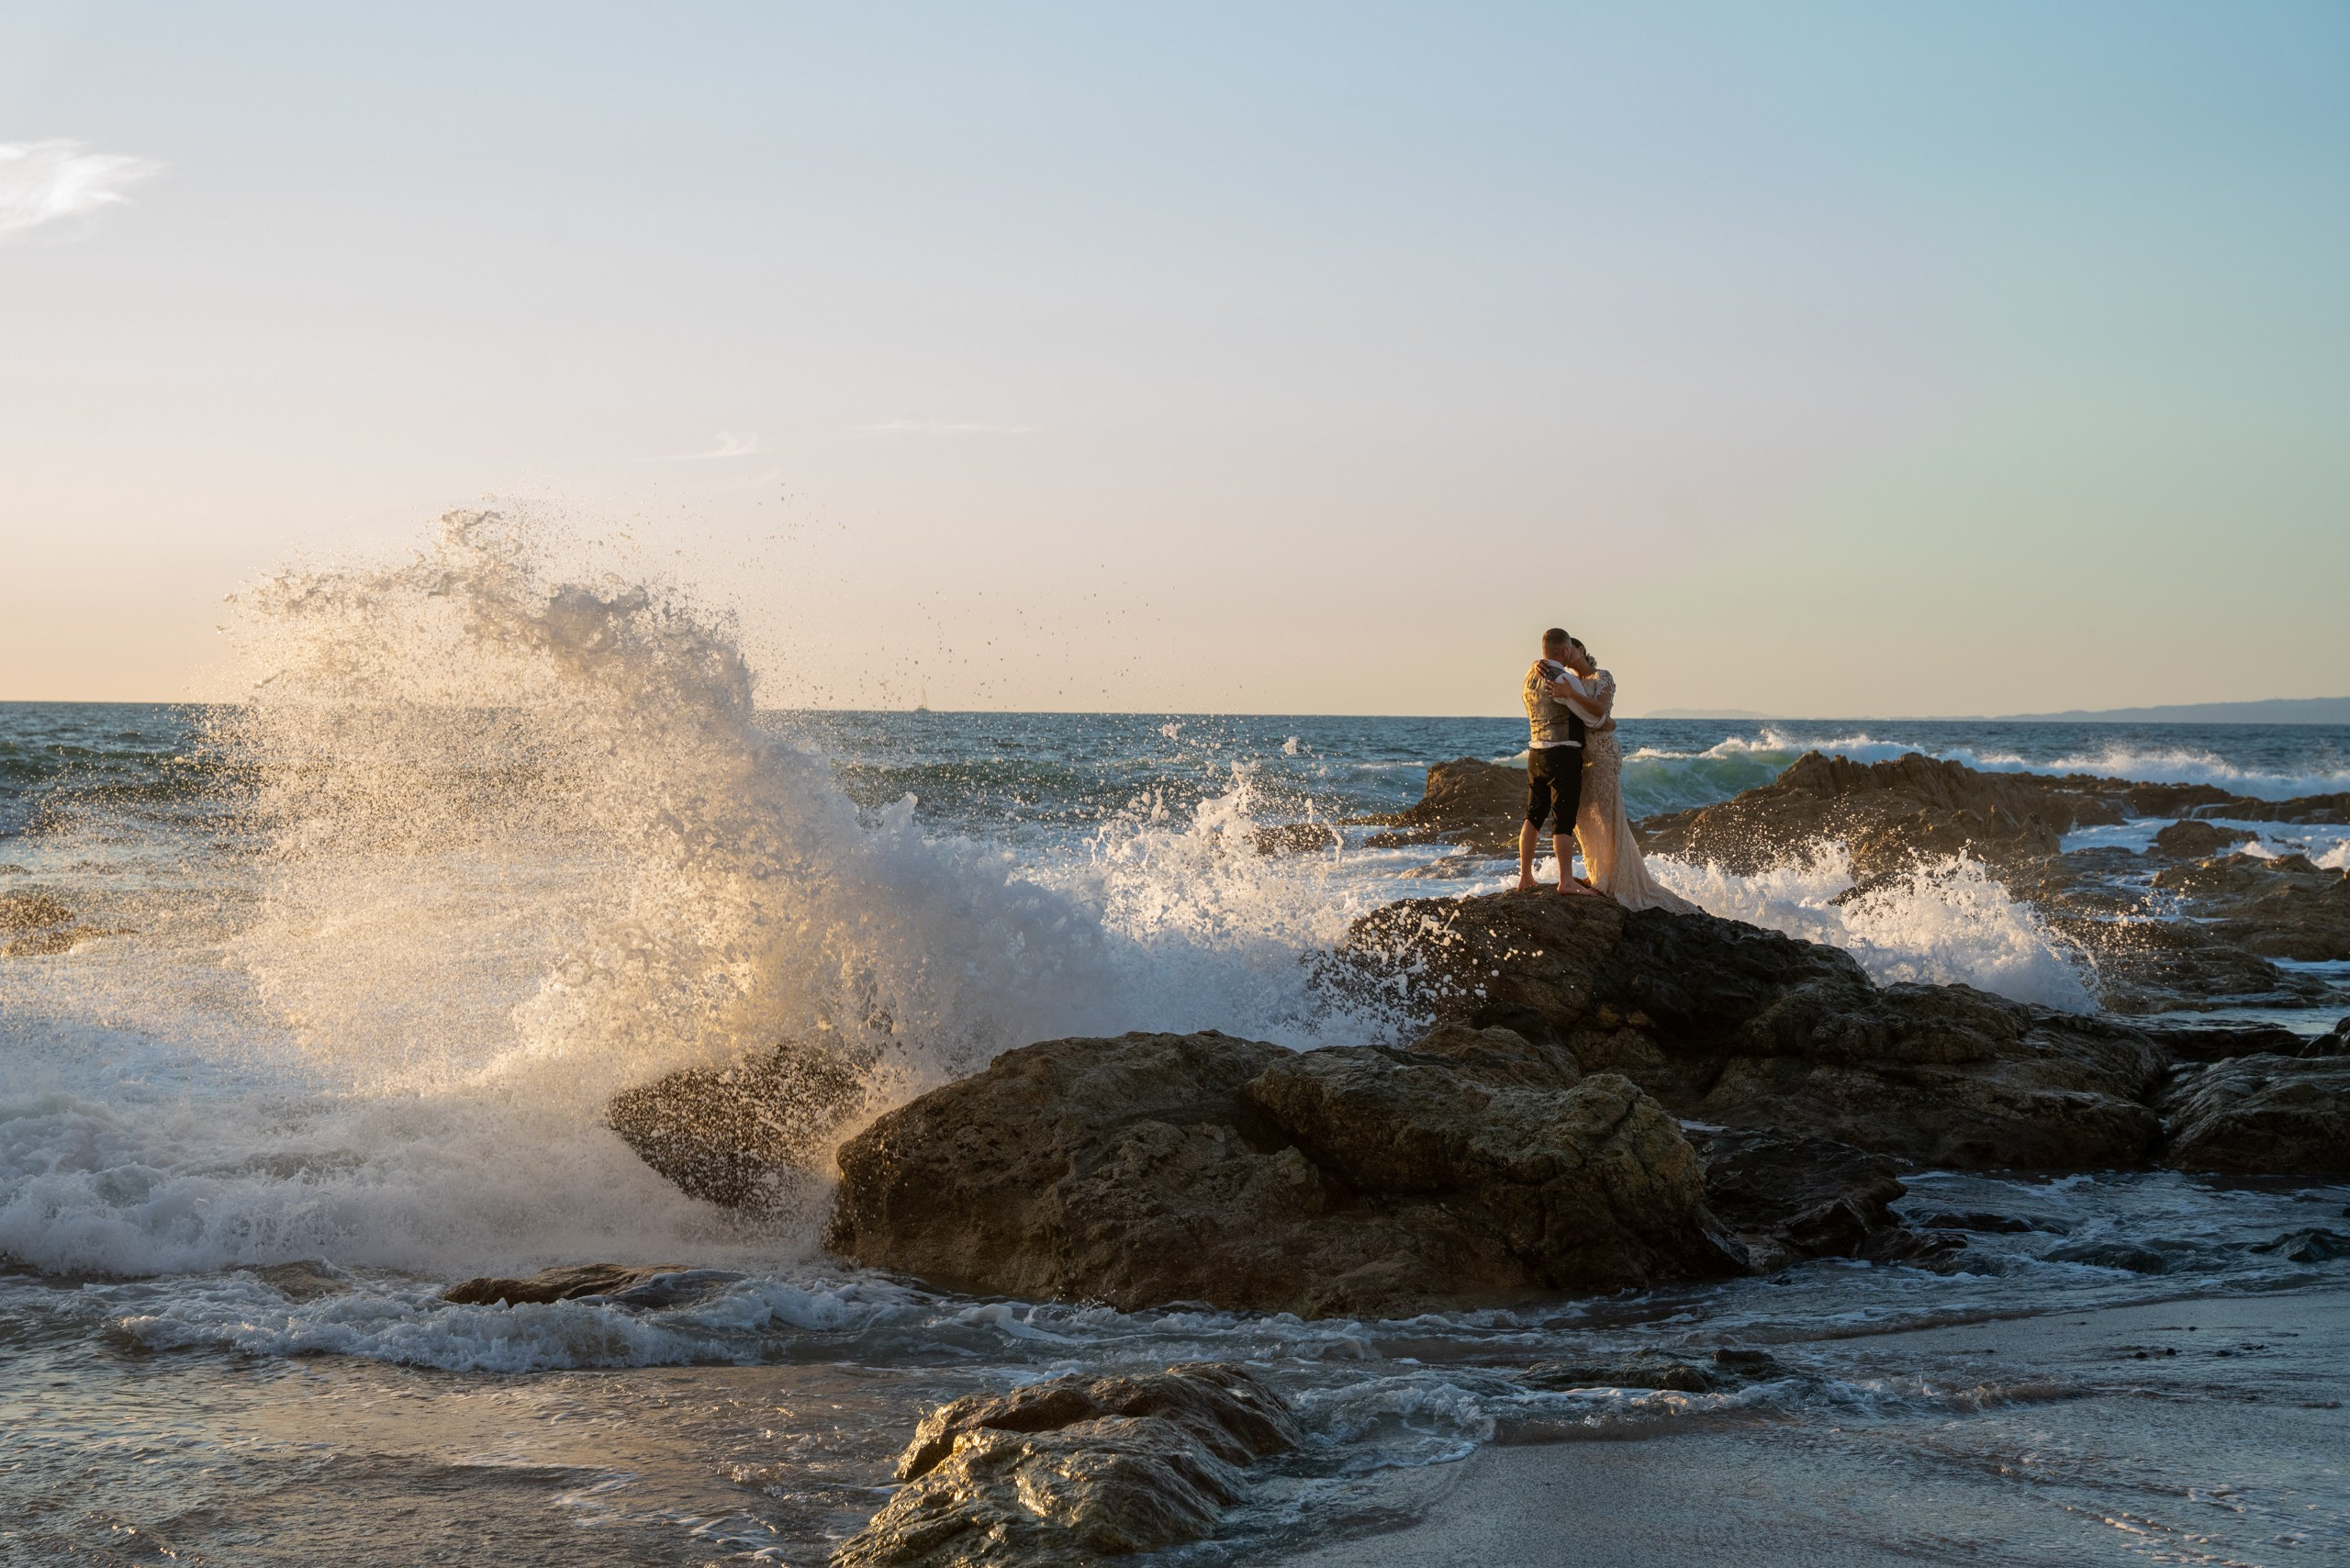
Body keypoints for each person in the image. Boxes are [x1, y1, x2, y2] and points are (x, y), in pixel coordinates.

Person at [1539, 639, 1698, 913]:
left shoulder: (1602, 677)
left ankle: (1612, 879)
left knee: (1607, 812)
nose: (1567, 655)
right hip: (1583, 754)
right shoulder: (1569, 681)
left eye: (1572, 648)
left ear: (1581, 650)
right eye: (1564, 650)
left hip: (1603, 752)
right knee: (1585, 815)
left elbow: (1600, 710)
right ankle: (1598, 871)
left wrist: (1574, 696)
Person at [1519, 628, 1599, 896]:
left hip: (1535, 752)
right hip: (1563, 753)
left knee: (1533, 815)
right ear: (1565, 650)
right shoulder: (1566, 679)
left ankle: (1525, 876)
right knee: (1563, 821)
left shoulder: (1529, 676)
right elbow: (1588, 717)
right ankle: (1566, 881)